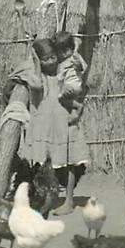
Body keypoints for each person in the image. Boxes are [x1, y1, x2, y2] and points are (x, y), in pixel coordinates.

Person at [19, 35, 89, 216]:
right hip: (42, 127)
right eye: (45, 58)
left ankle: (69, 201)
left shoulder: (62, 73)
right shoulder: (35, 75)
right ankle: (40, 197)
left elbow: (76, 79)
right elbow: (36, 84)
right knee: (38, 163)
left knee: (70, 162)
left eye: (53, 56)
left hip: (63, 125)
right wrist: (35, 62)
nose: (50, 61)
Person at [49, 31, 89, 215]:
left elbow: (82, 66)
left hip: (71, 92)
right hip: (59, 113)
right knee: (60, 157)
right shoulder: (60, 61)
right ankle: (58, 196)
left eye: (65, 51)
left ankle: (69, 201)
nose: (62, 55)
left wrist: (77, 63)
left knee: (71, 159)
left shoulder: (72, 59)